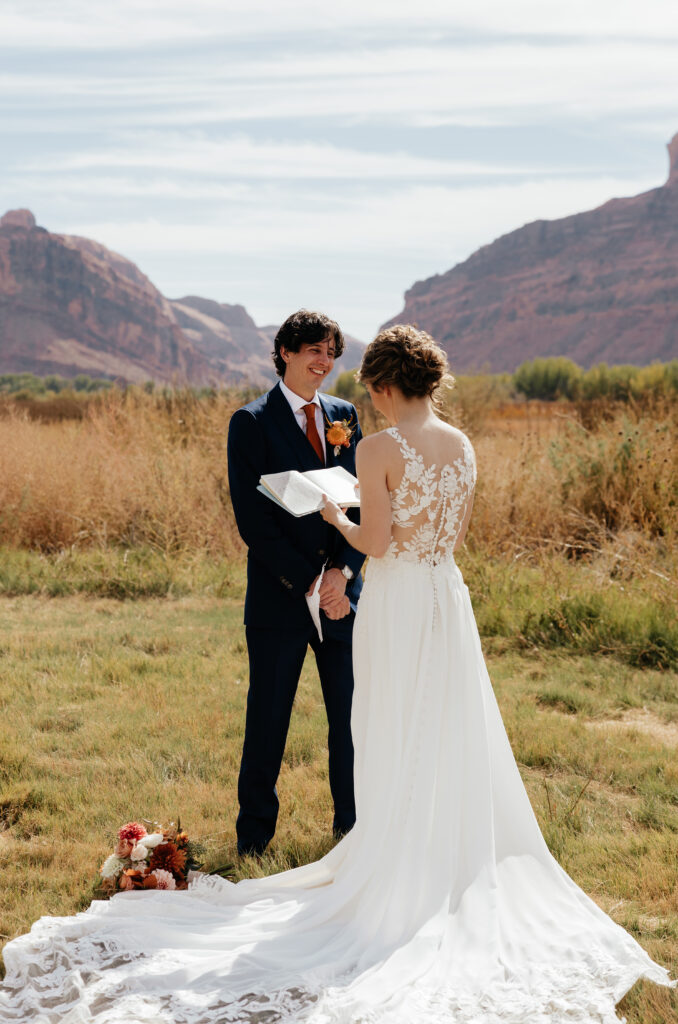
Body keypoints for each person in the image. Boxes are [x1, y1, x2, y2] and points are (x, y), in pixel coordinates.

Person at [0, 326, 673, 1023]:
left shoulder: (377, 442)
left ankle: (386, 851)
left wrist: (336, 519)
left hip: (397, 599)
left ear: (383, 386)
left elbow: (378, 541)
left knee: (379, 720)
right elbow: (444, 533)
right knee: (444, 722)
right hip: (446, 595)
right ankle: (432, 851)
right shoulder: (464, 444)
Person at [227, 309, 364, 854]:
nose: (323, 361)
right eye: (312, 350)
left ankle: (354, 836)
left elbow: (363, 498)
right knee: (267, 723)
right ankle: (253, 842)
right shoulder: (252, 422)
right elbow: (252, 522)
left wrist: (343, 575)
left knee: (350, 724)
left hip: (342, 597)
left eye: (331, 352)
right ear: (284, 352)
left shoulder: (345, 414)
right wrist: (312, 580)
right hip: (280, 598)